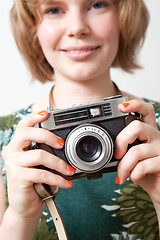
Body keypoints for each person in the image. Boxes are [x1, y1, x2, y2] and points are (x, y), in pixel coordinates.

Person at [0, 0, 160, 239]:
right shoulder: (8, 140)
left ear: (125, 16)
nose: (77, 27)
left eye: (97, 4)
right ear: (32, 27)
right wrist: (21, 216)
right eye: (54, 9)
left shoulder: (154, 128)